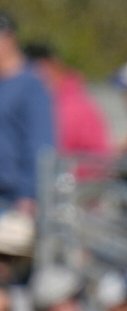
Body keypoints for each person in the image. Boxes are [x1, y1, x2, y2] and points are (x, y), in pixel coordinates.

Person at [0, 12, 54, 218]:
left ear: (9, 38)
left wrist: (28, 195)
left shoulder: (31, 85)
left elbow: (40, 144)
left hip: (14, 199)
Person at [24, 42, 109, 163]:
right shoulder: (60, 99)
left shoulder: (71, 106)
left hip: (75, 179)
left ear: (49, 65)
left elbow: (49, 151)